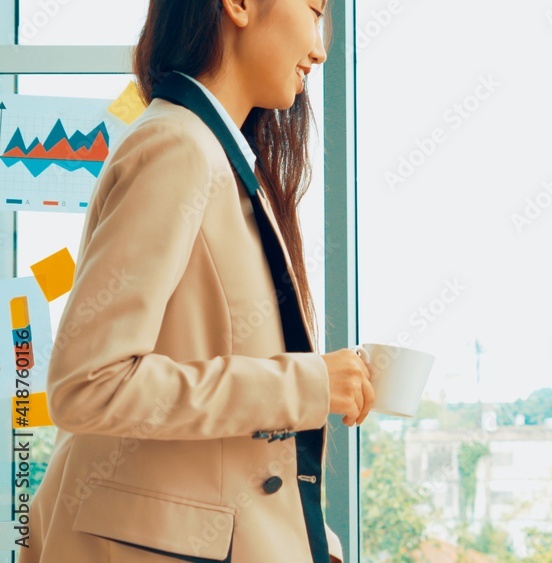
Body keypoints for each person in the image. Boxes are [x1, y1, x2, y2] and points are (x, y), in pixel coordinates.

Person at [21, 1, 374, 562]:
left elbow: (222, 455)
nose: (319, 48)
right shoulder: (178, 148)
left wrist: (309, 544)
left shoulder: (212, 153)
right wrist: (306, 385)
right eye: (313, 10)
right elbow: (88, 385)